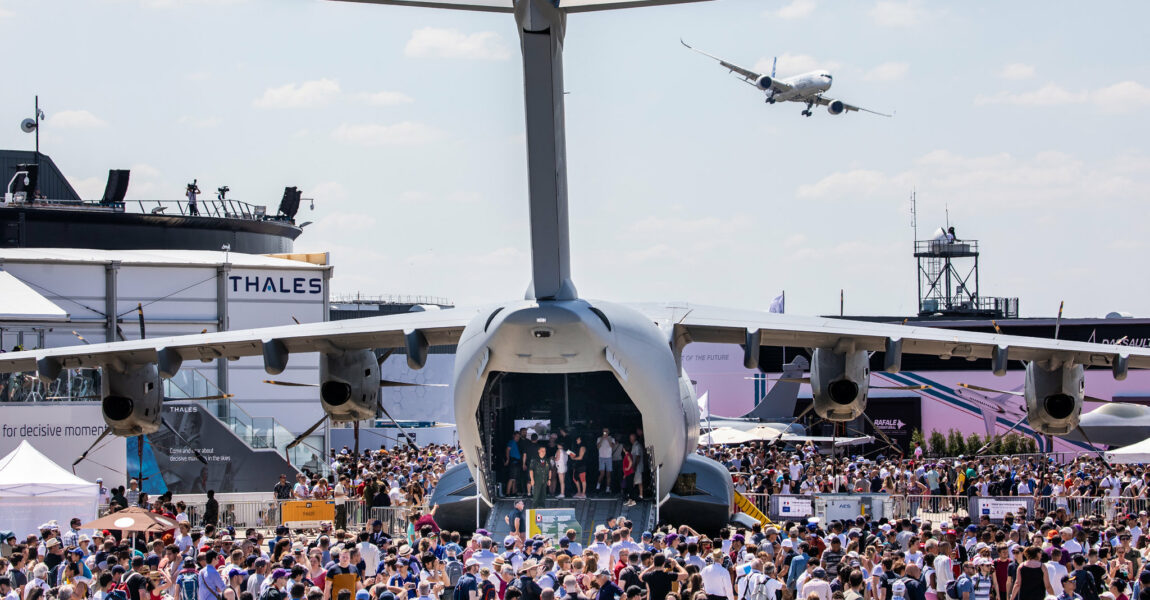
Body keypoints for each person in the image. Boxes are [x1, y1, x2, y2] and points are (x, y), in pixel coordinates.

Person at [596, 430, 615, 495]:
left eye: (606, 431)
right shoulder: (599, 438)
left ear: (608, 432)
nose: (605, 432)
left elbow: (612, 446)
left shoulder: (612, 438)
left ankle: (607, 488)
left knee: (608, 474)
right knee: (602, 473)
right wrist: (602, 438)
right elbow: (598, 447)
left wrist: (608, 439)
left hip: (608, 458)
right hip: (601, 457)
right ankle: (597, 487)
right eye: (604, 431)